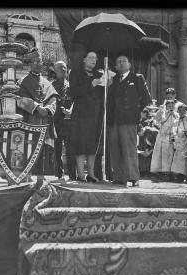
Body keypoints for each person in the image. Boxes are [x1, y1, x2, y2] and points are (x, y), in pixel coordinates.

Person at [107, 54, 152, 187]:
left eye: (124, 61)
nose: (121, 63)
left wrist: (136, 111)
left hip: (128, 120)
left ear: (129, 64)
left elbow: (146, 99)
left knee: (129, 148)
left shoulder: (137, 78)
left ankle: (133, 177)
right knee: (115, 149)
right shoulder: (113, 80)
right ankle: (119, 177)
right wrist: (107, 87)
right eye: (118, 62)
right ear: (115, 66)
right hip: (113, 120)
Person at [15, 48, 58, 186]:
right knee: (29, 149)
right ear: (30, 63)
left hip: (45, 121)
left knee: (43, 151)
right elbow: (20, 99)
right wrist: (36, 107)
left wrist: (48, 109)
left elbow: (53, 99)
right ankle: (27, 177)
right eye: (35, 61)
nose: (38, 63)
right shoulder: (22, 81)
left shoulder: (47, 83)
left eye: (39, 61)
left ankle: (41, 177)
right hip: (30, 120)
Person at [69, 51, 104, 183]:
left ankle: (91, 174)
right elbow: (74, 92)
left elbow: (102, 95)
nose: (93, 60)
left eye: (95, 58)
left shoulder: (98, 74)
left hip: (95, 115)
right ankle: (80, 174)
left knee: (92, 145)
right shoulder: (75, 73)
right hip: (80, 114)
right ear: (84, 59)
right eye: (90, 57)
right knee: (81, 144)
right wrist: (91, 85)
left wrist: (107, 84)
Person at [52, 60, 77, 181]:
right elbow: (52, 101)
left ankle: (73, 175)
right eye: (60, 68)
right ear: (55, 70)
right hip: (57, 121)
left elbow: (75, 100)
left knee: (71, 148)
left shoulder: (71, 85)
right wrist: (61, 108)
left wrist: (70, 109)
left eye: (64, 68)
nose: (63, 70)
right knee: (57, 149)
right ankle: (59, 174)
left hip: (70, 120)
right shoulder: (51, 85)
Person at [150, 99, 178, 181]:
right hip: (162, 135)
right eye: (169, 106)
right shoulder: (163, 113)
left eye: (172, 106)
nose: (171, 107)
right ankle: (157, 173)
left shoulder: (176, 114)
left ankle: (168, 173)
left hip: (171, 136)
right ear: (166, 106)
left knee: (169, 155)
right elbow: (156, 121)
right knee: (159, 154)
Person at [170, 104, 187, 182]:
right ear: (178, 111)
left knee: (186, 158)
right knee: (178, 158)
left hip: (186, 140)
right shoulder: (176, 121)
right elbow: (173, 130)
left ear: (186, 111)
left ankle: (186, 174)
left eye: (183, 110)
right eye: (180, 111)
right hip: (179, 140)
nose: (181, 112)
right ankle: (178, 174)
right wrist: (175, 137)